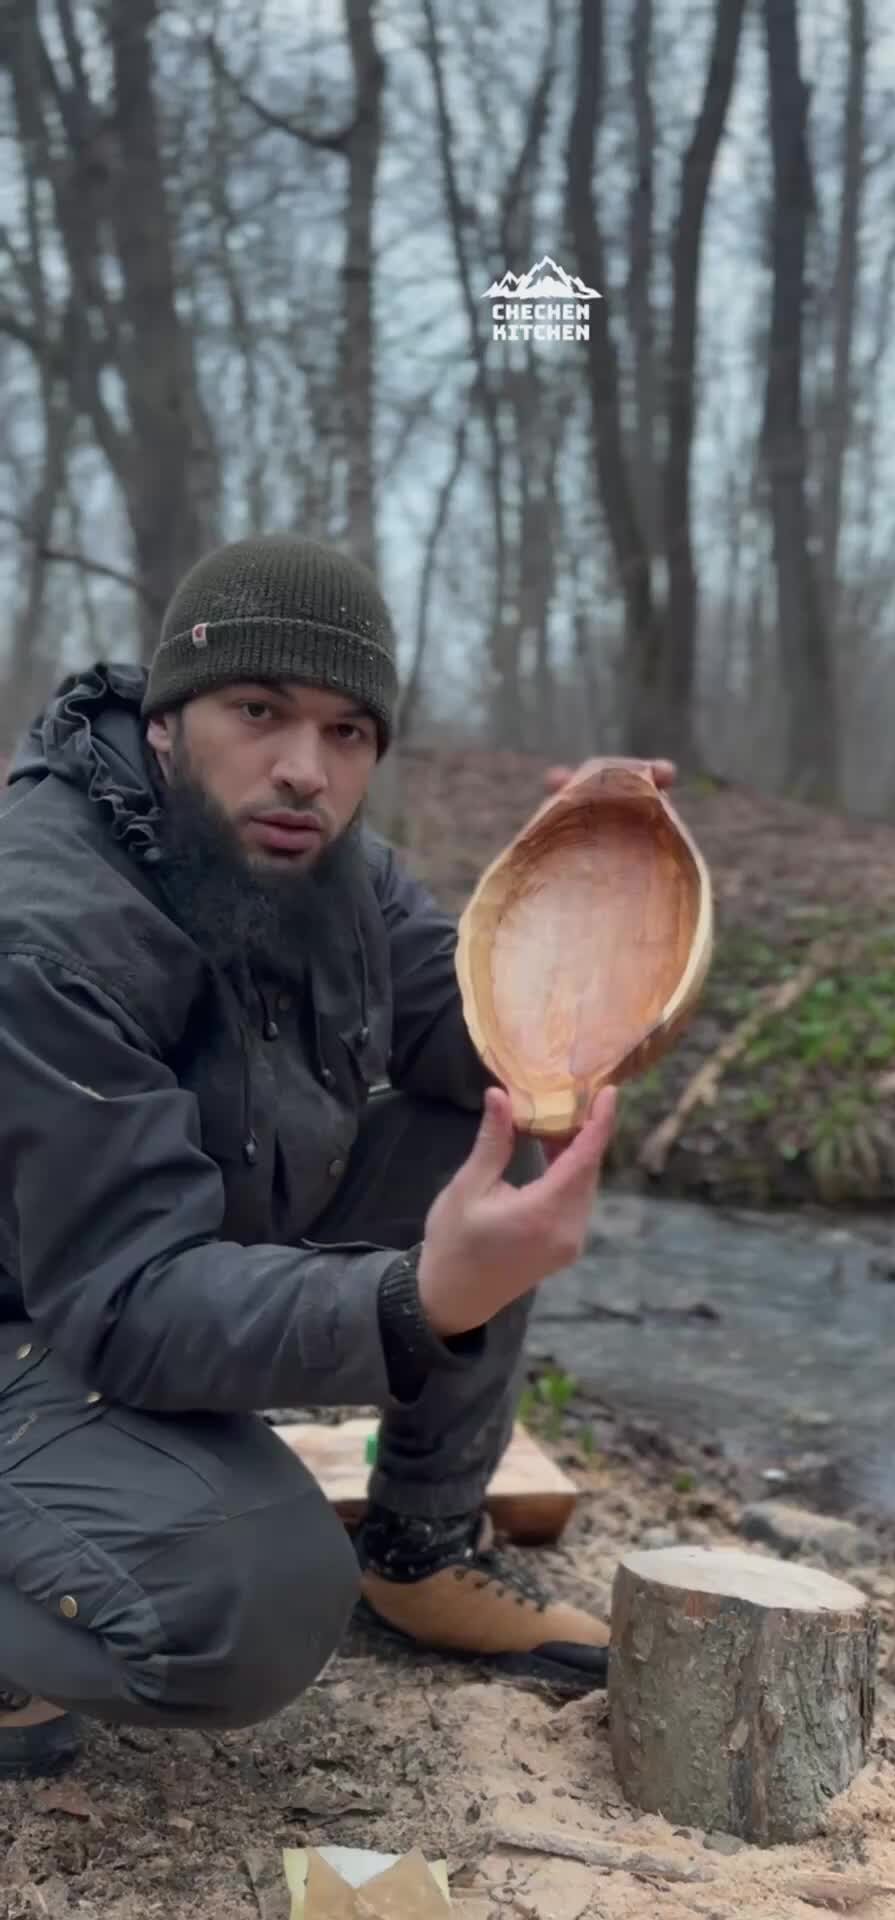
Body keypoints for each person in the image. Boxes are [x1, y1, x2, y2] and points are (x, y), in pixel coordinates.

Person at [0, 534, 673, 1782]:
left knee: (471, 1139)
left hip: (133, 1265)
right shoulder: (46, 932)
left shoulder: (325, 871)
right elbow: (129, 1300)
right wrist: (416, 1298)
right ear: (165, 720)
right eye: (259, 712)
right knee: (241, 1608)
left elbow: (492, 1047)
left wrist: (587, 893)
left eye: (349, 732)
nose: (304, 770)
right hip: (41, 1308)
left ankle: (416, 1553)